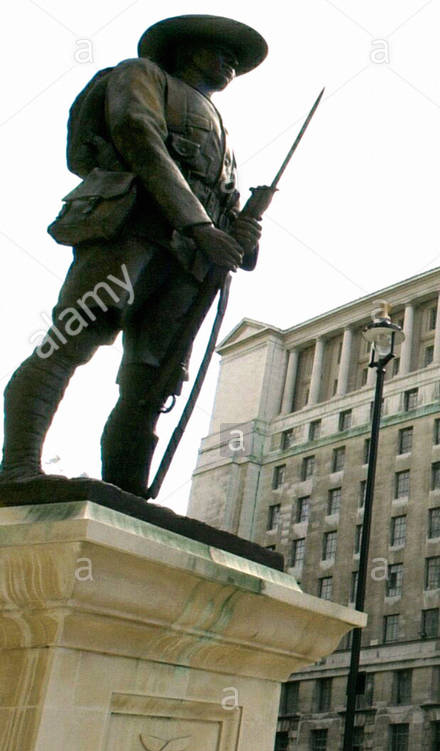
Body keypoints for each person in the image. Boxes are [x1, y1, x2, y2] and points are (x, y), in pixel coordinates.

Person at [0, 15, 267, 496]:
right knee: (70, 341)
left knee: (153, 379)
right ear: (187, 52)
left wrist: (242, 234)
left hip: (188, 260)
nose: (230, 63)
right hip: (133, 233)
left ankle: (126, 491)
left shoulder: (223, 132)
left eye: (234, 58)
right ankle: (18, 465)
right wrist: (200, 224)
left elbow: (221, 203)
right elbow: (136, 134)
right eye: (219, 51)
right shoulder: (143, 75)